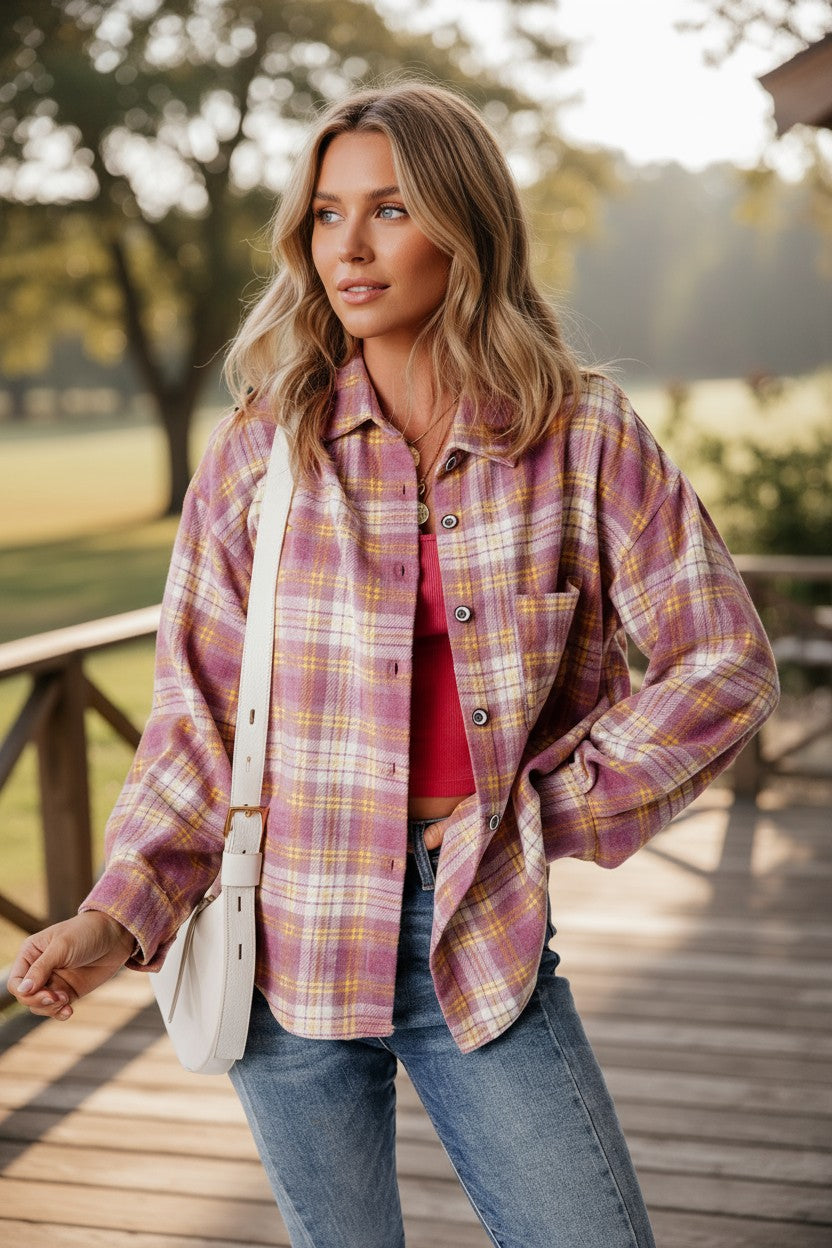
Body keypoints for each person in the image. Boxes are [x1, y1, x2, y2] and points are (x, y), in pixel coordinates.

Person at [9, 81, 779, 1247]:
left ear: (464, 227)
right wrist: (114, 917)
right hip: (282, 946)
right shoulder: (265, 450)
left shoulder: (580, 435)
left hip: (475, 931)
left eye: (390, 210)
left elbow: (718, 660)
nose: (349, 248)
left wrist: (540, 812)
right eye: (326, 214)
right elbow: (194, 720)